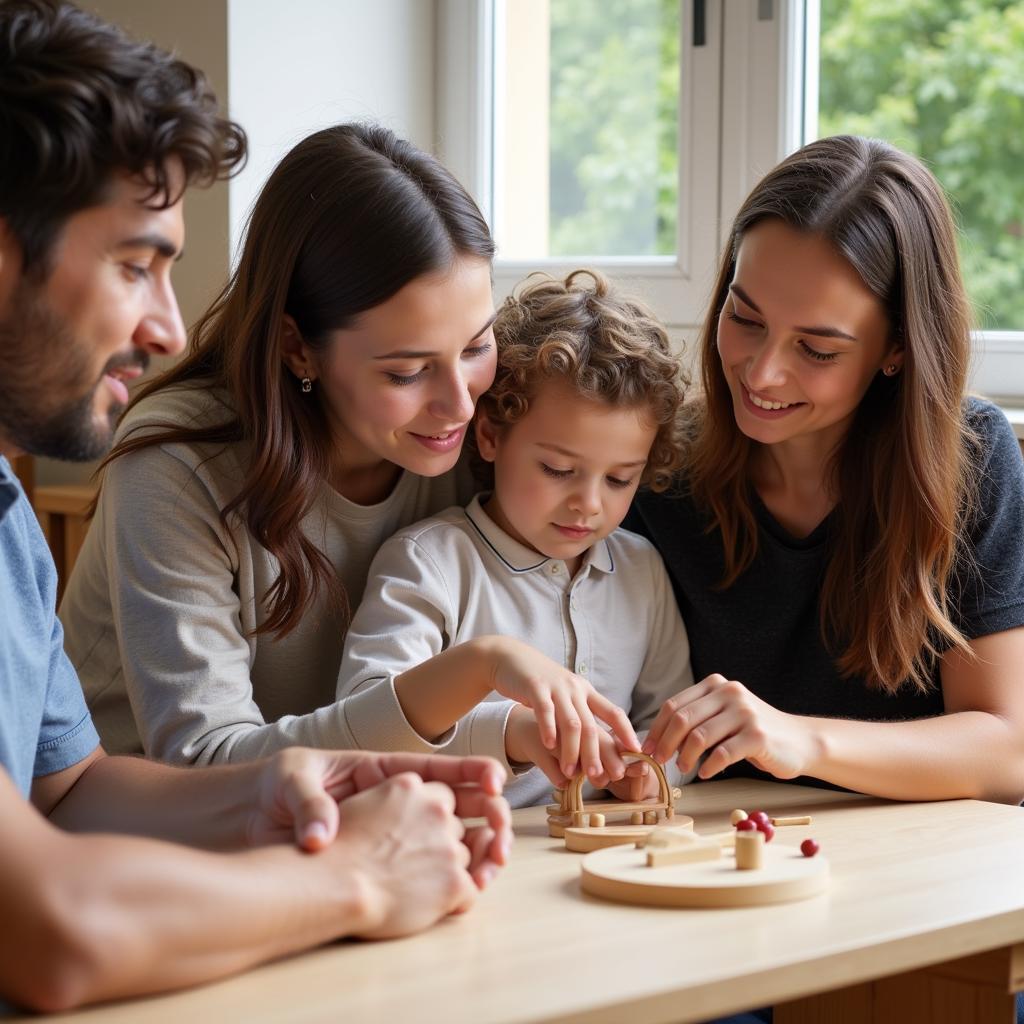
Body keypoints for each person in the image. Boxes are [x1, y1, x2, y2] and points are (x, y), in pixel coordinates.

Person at [0, 1, 510, 1011]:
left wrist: (302, 785)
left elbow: (72, 787)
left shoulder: (8, 515)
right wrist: (354, 878)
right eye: (136, 263)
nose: (171, 326)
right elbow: (53, 936)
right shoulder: (172, 464)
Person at [58, 124, 632, 778]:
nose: (460, 404)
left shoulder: (488, 433)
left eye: (475, 345)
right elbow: (205, 765)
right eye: (406, 372)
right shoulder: (174, 466)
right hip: (153, 831)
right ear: (299, 346)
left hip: (353, 810)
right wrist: (471, 672)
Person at [623, 135, 1024, 807]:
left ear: (896, 348)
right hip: (721, 859)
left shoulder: (973, 459)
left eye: (816, 348)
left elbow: (1008, 751)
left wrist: (797, 739)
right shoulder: (658, 464)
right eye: (744, 316)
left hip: (911, 866)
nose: (762, 371)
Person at [335, 269, 695, 805]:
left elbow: (670, 720)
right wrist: (513, 733)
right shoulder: (428, 564)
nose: (589, 504)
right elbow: (367, 728)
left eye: (620, 479)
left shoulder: (640, 569)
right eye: (556, 469)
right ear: (489, 436)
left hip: (606, 855)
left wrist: (650, 766)